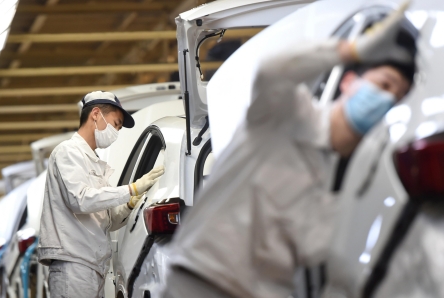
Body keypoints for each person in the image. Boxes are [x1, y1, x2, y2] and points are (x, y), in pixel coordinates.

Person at [162, 2, 416, 298]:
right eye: (384, 84)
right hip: (203, 281)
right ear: (348, 82)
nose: (386, 99)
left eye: (397, 97)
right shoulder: (286, 114)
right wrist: (351, 50)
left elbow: (316, 252)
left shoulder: (349, 175)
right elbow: (273, 71)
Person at [38, 91, 164, 298]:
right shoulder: (68, 152)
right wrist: (130, 189)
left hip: (92, 266)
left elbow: (107, 220)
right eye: (116, 124)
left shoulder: (94, 162)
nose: (116, 131)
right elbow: (80, 200)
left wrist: (130, 204)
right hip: (73, 264)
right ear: (96, 114)